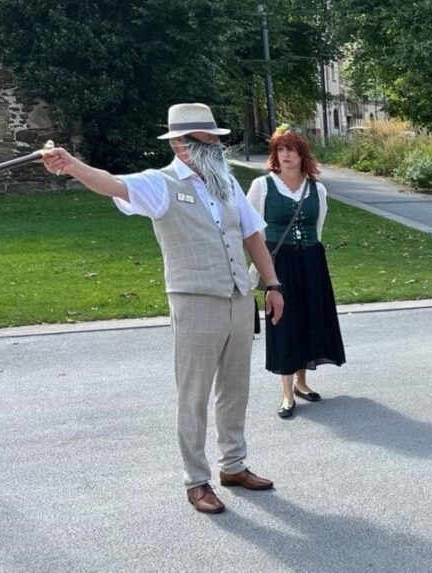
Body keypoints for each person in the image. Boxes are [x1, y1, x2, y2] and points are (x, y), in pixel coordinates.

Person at [41, 103, 284, 514]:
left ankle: (234, 465)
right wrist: (72, 165)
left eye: (216, 140)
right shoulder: (161, 183)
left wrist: (272, 284)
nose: (217, 148)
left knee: (235, 388)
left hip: (239, 299)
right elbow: (112, 184)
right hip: (194, 301)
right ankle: (197, 480)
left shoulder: (225, 182)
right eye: (208, 141)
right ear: (181, 145)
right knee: (194, 395)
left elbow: (252, 235)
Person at [246, 126, 345, 419]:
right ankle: (286, 392)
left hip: (311, 260)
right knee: (284, 323)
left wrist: (311, 255)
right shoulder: (263, 186)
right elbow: (251, 229)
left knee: (309, 319)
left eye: (290, 149)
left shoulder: (317, 189)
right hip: (280, 263)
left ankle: (302, 382)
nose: (285, 154)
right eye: (280, 149)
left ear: (302, 154)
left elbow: (318, 227)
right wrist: (263, 268)